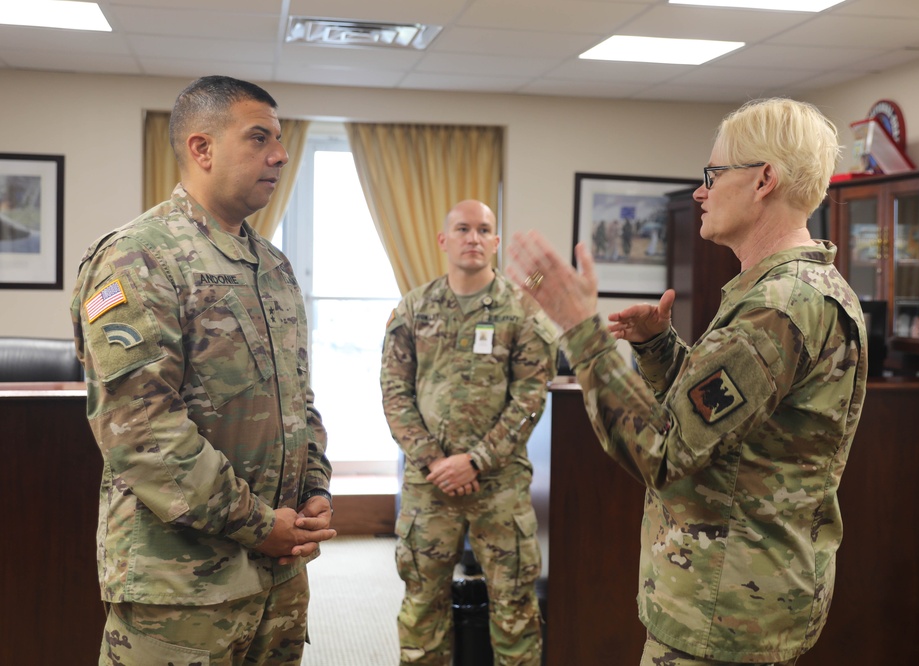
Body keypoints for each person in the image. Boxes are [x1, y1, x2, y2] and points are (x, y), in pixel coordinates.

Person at [506, 98, 868, 666]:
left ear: (764, 179)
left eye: (713, 174)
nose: (701, 191)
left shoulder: (780, 306)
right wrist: (658, 349)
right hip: (735, 601)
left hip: (726, 613)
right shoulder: (790, 290)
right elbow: (724, 433)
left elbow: (665, 450)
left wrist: (580, 331)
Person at [70, 75, 336, 665]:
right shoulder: (138, 257)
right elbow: (142, 434)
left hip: (277, 578)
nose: (280, 154)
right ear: (202, 148)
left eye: (282, 139)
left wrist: (314, 488)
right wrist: (259, 522)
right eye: (259, 138)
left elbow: (299, 399)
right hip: (181, 590)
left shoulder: (273, 266)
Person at [380, 199, 558, 665]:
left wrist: (476, 460)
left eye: (484, 230)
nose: (473, 238)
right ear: (444, 240)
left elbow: (530, 398)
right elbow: (394, 393)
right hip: (429, 485)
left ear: (496, 242)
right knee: (422, 608)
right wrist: (436, 462)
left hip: (499, 487)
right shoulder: (413, 308)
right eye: (463, 229)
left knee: (515, 611)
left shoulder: (522, 312)